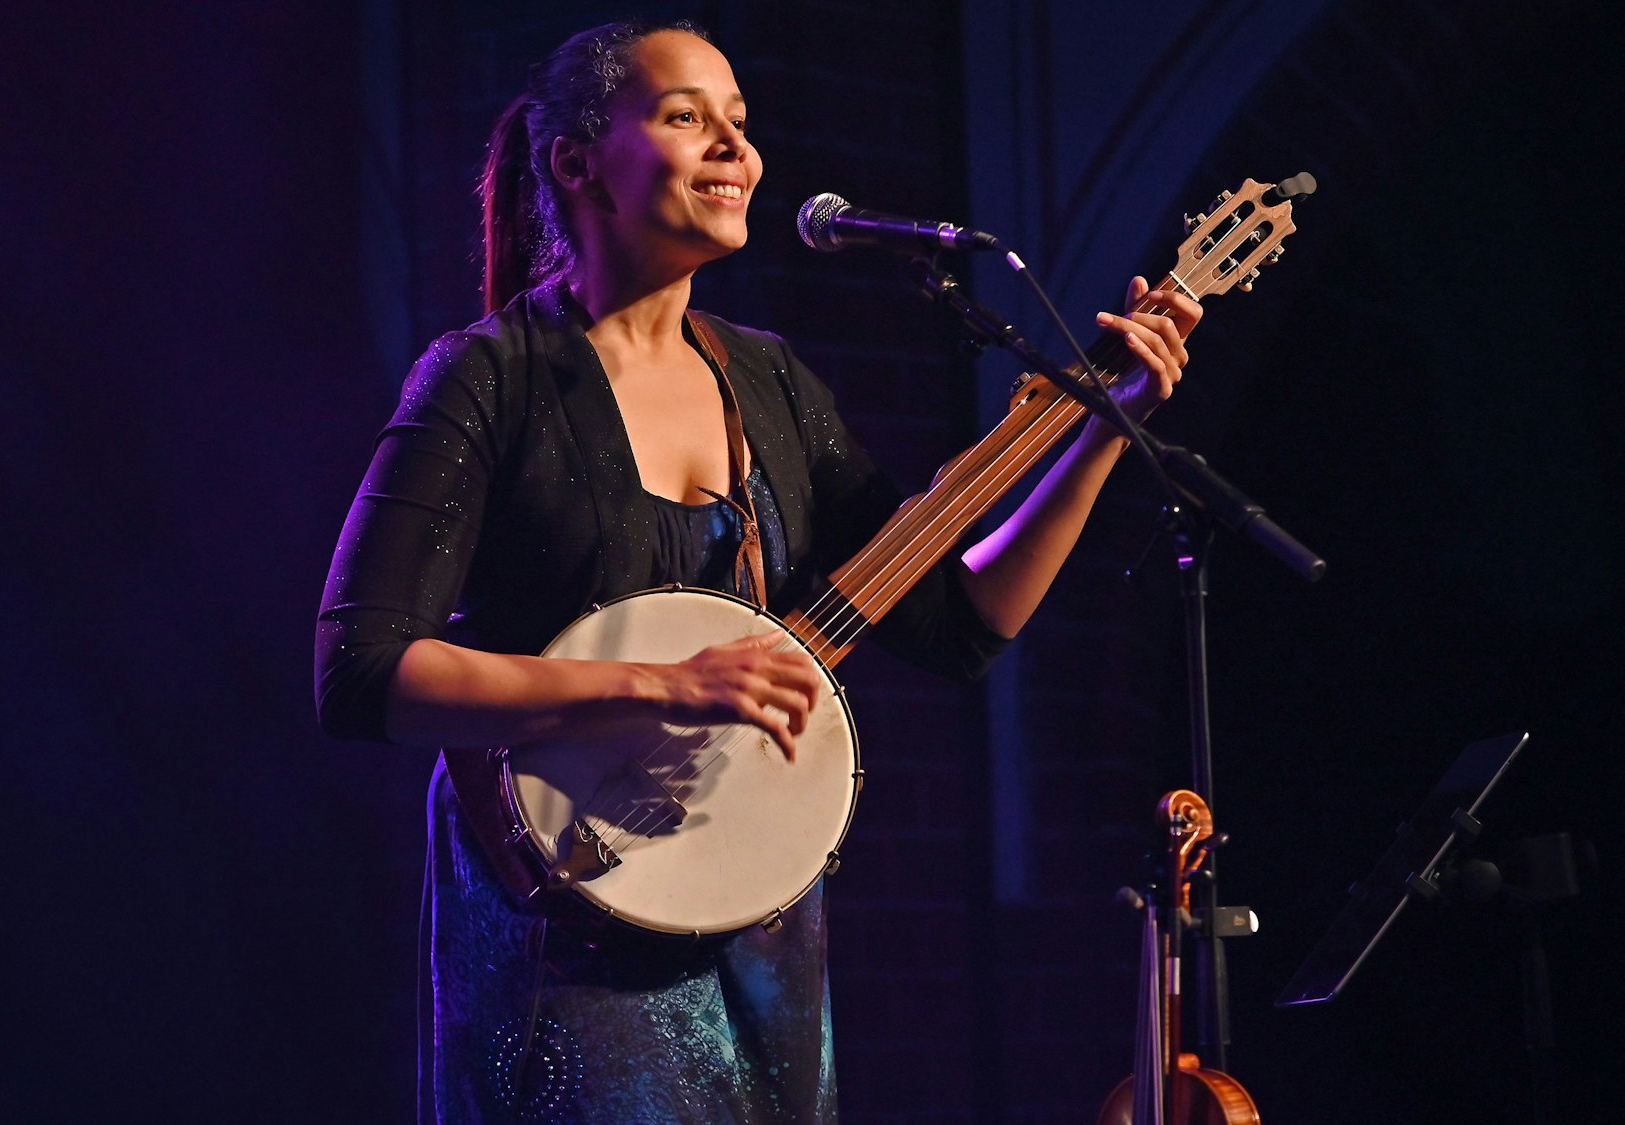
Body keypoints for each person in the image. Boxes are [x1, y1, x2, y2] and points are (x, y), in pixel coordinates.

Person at [316, 18, 1201, 1123]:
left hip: (758, 919)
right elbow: (361, 673)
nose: (735, 149)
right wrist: (665, 684)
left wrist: (1102, 434)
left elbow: (964, 619)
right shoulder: (489, 379)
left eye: (740, 122)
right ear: (576, 159)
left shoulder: (772, 385)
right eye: (686, 117)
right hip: (567, 915)